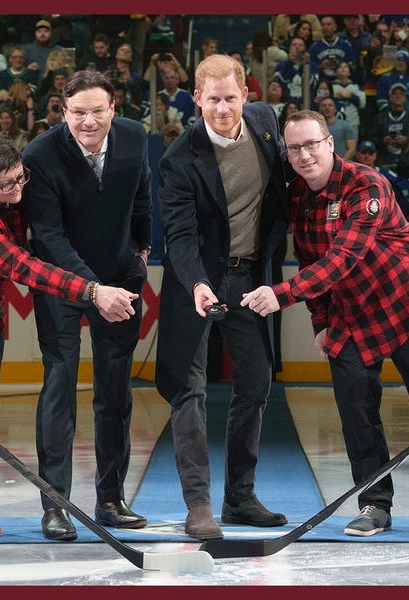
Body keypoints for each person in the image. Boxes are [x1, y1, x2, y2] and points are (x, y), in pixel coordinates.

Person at [239, 110, 409, 538]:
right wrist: (320, 320)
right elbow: (312, 258)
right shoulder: (296, 196)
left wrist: (280, 295)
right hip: (349, 315)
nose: (304, 155)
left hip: (406, 304)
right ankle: (374, 504)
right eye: (294, 148)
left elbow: (343, 259)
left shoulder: (366, 184)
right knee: (356, 411)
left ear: (330, 143)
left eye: (312, 144)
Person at [0, 132, 139, 538]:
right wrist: (93, 291)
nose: (17, 190)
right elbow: (22, 267)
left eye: (20, 178)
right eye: (7, 185)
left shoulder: (13, 190)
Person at [155, 54, 291, 541]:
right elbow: (180, 235)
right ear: (197, 99)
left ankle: (240, 497)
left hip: (251, 279)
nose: (222, 109)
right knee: (188, 391)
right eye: (212, 99)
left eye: (230, 98)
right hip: (196, 284)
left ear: (246, 97)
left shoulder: (265, 122)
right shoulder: (177, 159)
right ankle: (199, 505)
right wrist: (196, 284)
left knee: (256, 383)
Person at [21, 70, 153, 541]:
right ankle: (55, 505)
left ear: (114, 108)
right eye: (78, 113)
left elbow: (142, 194)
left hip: (121, 278)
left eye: (98, 111)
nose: (89, 121)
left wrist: (141, 247)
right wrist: (94, 291)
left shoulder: (136, 139)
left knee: (114, 393)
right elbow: (50, 237)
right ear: (63, 111)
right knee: (59, 386)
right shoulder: (38, 154)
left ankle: (111, 500)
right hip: (61, 284)